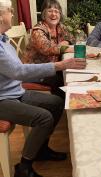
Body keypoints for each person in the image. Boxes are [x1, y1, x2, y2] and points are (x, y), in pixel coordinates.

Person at [0, 0, 86, 176]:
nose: (13, 14)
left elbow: (17, 70)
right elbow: (18, 71)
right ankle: (24, 167)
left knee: (56, 102)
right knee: (44, 118)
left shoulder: (4, 40)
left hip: (15, 91)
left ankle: (40, 149)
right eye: (10, 11)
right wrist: (59, 66)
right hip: (3, 99)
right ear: (1, 17)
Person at [22, 0, 75, 98]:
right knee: (62, 80)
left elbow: (71, 38)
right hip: (34, 71)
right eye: (50, 11)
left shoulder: (59, 27)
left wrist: (65, 42)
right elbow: (46, 48)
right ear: (43, 14)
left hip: (51, 67)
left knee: (71, 73)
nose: (54, 14)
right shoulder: (38, 30)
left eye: (56, 11)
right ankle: (61, 106)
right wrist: (63, 48)